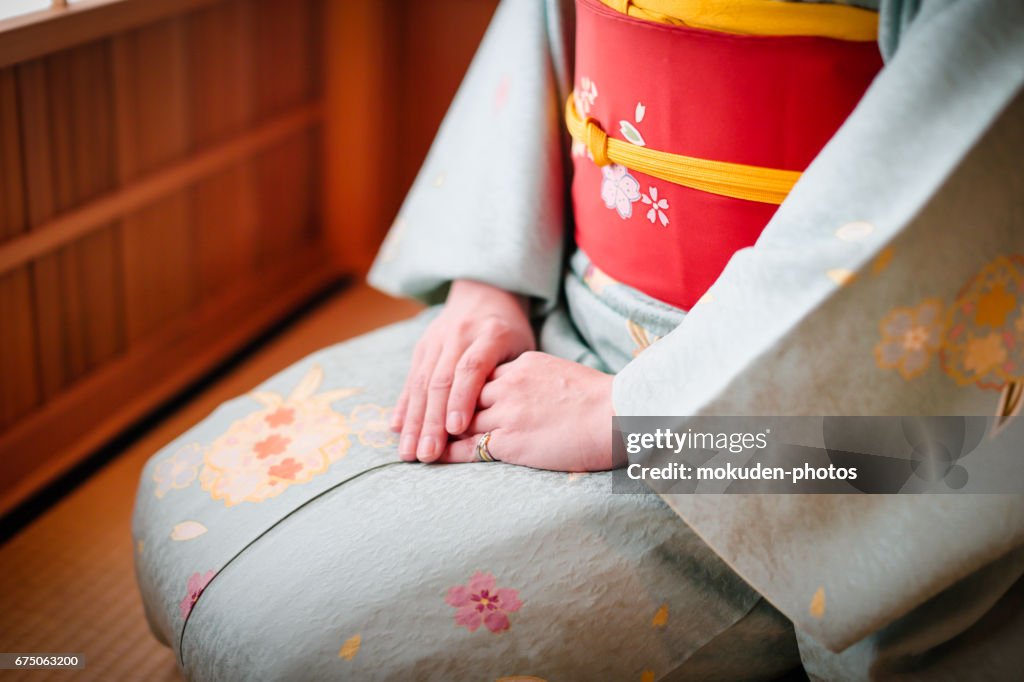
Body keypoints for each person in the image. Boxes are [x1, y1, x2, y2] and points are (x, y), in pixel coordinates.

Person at [134, 0, 1024, 679]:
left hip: (793, 403)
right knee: (182, 504)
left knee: (322, 652)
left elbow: (965, 146)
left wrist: (641, 416)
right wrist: (487, 286)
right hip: (577, 310)